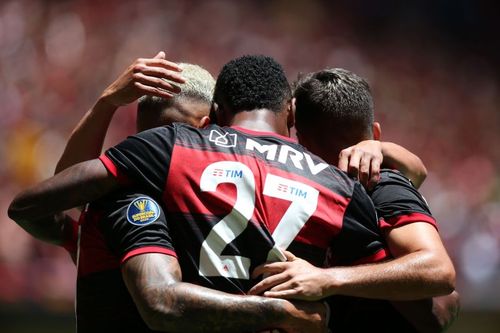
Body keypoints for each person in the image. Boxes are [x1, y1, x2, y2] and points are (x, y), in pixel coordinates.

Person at [8, 55, 453, 331]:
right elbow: (434, 309)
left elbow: (44, 204)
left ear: (215, 117)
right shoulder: (334, 186)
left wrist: (106, 103)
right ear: (288, 116)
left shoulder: (151, 179)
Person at [249, 68, 459, 332]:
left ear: (298, 138)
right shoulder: (311, 186)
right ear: (375, 131)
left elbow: (438, 271)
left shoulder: (380, 185)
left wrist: (328, 279)